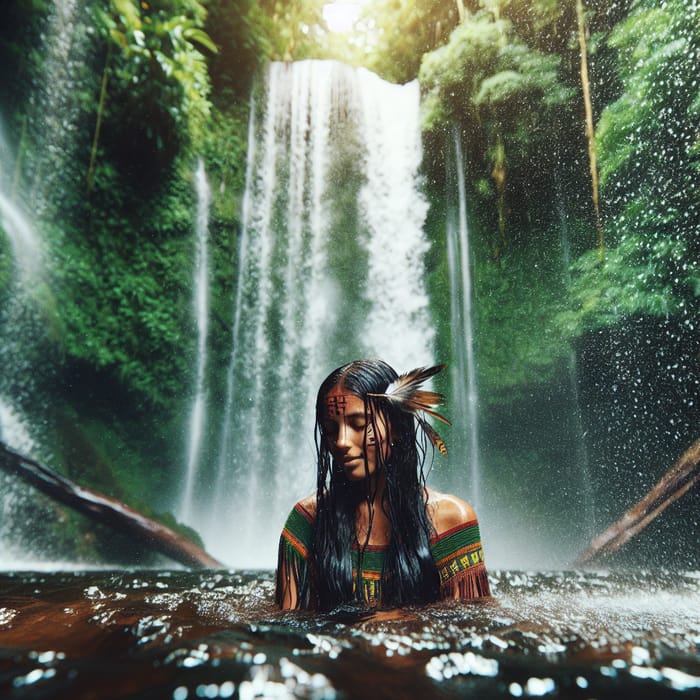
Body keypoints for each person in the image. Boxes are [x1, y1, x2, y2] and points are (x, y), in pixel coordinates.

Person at [275, 359, 491, 610]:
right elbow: (286, 626)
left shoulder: (451, 520)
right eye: (332, 429)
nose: (342, 441)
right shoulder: (308, 520)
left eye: (358, 424)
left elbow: (470, 627)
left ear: (396, 426)